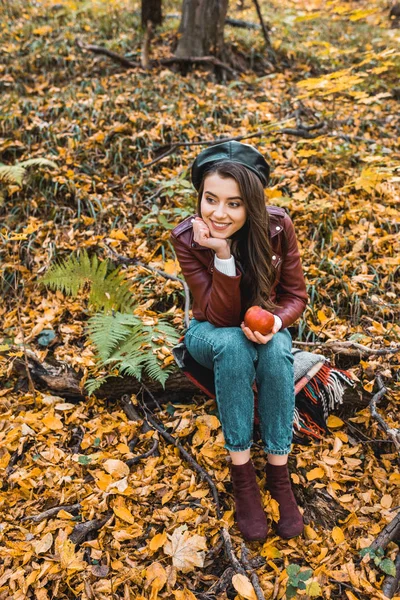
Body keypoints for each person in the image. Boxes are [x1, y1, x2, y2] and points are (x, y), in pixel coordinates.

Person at [170, 141, 308, 542]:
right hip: (208, 333)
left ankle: (279, 475)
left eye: (233, 204)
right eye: (210, 200)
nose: (218, 213)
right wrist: (222, 253)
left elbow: (296, 296)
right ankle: (243, 475)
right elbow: (220, 317)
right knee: (233, 343)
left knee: (279, 348)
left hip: (264, 330)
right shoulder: (187, 237)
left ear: (251, 204)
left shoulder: (278, 228)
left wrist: (277, 324)